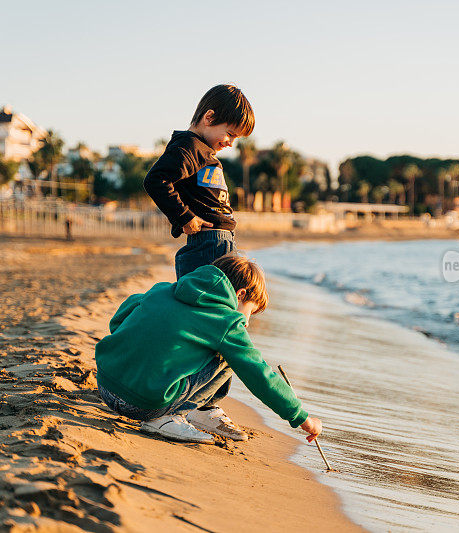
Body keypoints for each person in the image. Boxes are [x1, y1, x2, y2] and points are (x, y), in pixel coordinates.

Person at [95, 254, 322, 445]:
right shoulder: (226, 321)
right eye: (250, 311)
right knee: (230, 356)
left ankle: (162, 406)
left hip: (106, 385)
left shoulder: (162, 289)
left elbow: (118, 320)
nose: (248, 321)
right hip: (143, 406)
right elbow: (258, 374)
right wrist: (301, 418)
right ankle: (170, 416)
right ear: (240, 295)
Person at [143, 84, 255, 280]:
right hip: (208, 243)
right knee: (207, 305)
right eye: (230, 134)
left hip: (219, 242)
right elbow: (156, 180)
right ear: (209, 117)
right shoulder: (188, 147)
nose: (231, 143)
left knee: (222, 304)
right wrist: (184, 217)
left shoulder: (202, 150)